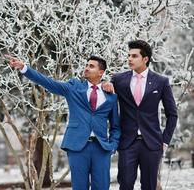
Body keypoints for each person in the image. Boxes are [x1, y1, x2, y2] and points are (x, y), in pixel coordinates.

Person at [8, 54, 121, 190]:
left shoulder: (110, 95)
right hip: (78, 147)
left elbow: (115, 126)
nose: (86, 68)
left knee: (102, 187)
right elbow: (48, 83)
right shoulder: (73, 87)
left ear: (101, 72)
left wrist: (112, 146)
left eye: (91, 66)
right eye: (86, 65)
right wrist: (24, 68)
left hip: (101, 148)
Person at [104, 40, 178, 190]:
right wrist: (106, 84)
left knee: (149, 186)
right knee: (125, 184)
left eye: (134, 56)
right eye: (129, 55)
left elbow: (172, 114)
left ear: (145, 59)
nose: (129, 59)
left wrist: (164, 141)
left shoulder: (161, 81)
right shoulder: (118, 80)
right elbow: (106, 94)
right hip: (127, 143)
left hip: (152, 144)